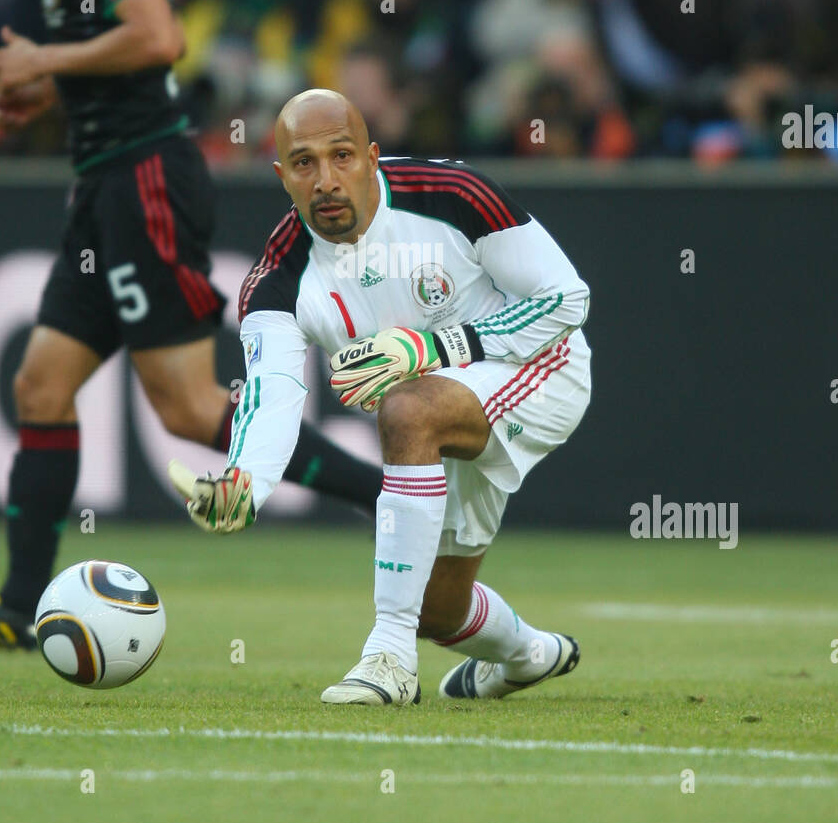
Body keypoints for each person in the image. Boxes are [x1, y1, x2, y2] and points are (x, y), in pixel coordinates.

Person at [0, 0, 381, 653]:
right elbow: (130, 56)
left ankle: (392, 497)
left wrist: (50, 65)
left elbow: (158, 37)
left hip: (145, 182)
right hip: (107, 181)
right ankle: (21, 605)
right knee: (40, 384)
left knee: (183, 405)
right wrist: (47, 88)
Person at [170, 88, 591, 706]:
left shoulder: (452, 195)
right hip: (444, 415)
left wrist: (434, 348)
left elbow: (567, 299)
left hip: (541, 369)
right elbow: (273, 393)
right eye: (305, 163)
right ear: (281, 175)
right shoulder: (275, 283)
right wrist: (245, 482)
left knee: (407, 407)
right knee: (437, 609)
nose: (327, 180)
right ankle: (530, 654)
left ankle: (390, 659)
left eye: (341, 156)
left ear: (371, 157)